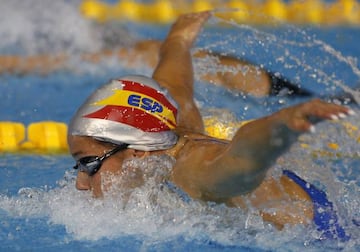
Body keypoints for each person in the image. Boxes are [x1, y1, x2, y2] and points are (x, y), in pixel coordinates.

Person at [68, 11, 355, 240]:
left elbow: (243, 159)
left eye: (90, 164)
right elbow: (174, 84)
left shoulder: (193, 171)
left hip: (326, 238)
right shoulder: (167, 131)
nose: (81, 183)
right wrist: (177, 41)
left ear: (136, 152)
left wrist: (283, 124)